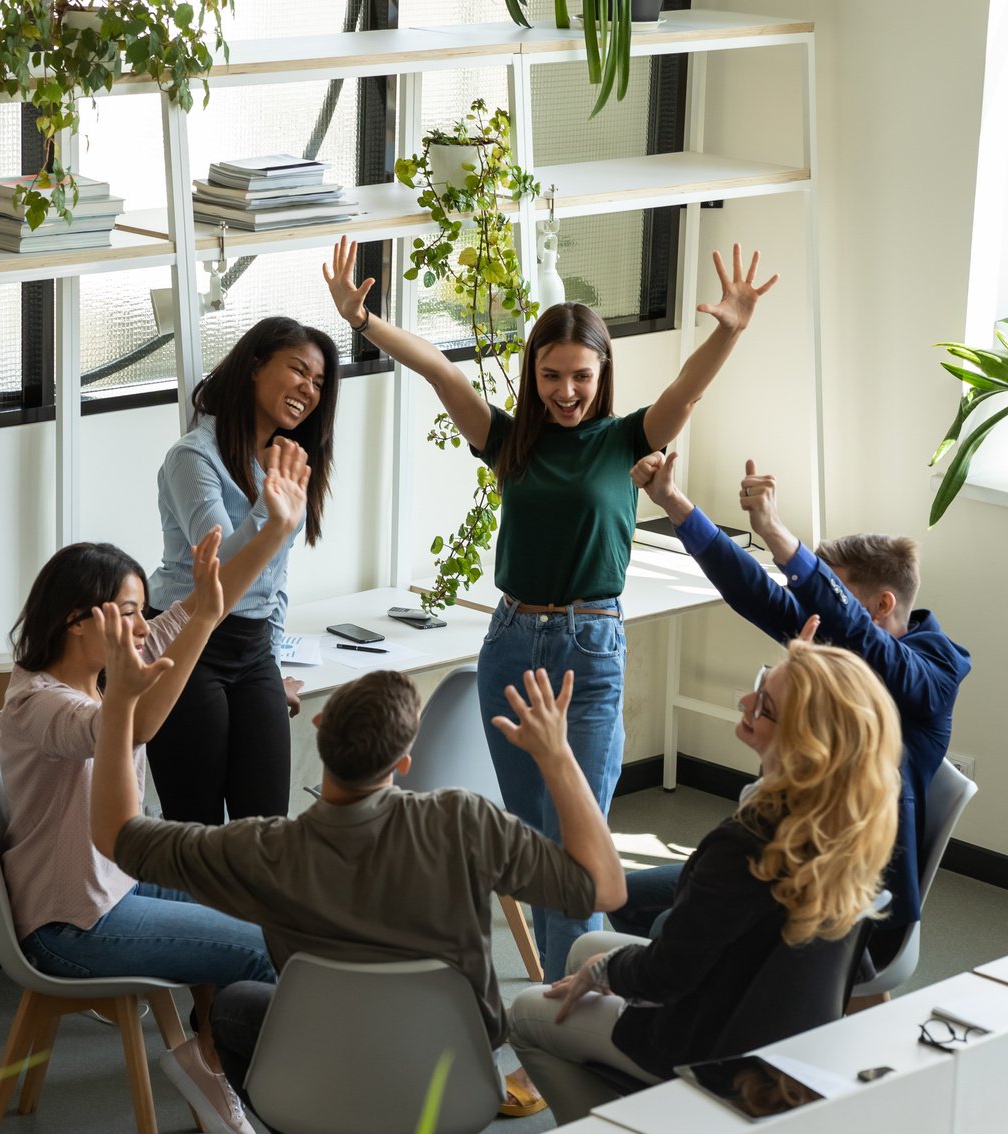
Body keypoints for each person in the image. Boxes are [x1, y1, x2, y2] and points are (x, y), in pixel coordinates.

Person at [322, 233, 778, 980]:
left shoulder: (628, 438)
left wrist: (726, 329)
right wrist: (362, 323)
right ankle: (565, 1000)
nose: (567, 391)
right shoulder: (509, 443)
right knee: (539, 843)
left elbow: (686, 393)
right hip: (510, 645)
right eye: (552, 375)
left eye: (582, 377)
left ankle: (574, 1006)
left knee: (578, 839)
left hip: (587, 652)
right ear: (533, 374)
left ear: (603, 377)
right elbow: (439, 370)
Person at [82, 569, 627, 1119]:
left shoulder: (266, 849)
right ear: (404, 763)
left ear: (319, 730)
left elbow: (114, 834)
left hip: (320, 1077)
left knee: (233, 1007)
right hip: (453, 1080)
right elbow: (603, 887)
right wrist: (556, 757)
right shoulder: (465, 822)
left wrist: (122, 703)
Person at [508, 640, 902, 1123]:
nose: (745, 701)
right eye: (760, 684)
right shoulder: (846, 828)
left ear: (804, 744)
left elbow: (665, 974)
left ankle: (631, 1122)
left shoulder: (746, 844)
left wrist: (603, 970)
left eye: (765, 704)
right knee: (586, 945)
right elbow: (856, 971)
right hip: (774, 1038)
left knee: (526, 1014)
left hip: (708, 1053)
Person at [0, 514, 296, 1134]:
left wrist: (272, 530)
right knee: (265, 950)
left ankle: (208, 1059)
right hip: (72, 924)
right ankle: (266, 1091)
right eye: (127, 614)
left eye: (140, 612)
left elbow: (201, 606)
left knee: (260, 901)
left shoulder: (105, 674)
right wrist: (202, 624)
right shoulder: (40, 705)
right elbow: (131, 726)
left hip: (118, 886)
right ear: (77, 621)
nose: (141, 627)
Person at [616, 451, 970, 968]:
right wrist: (673, 502)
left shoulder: (934, 672)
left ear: (882, 605)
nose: (819, 608)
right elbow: (750, 589)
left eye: (836, 591)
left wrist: (779, 534)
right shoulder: (834, 635)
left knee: (673, 925)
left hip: (854, 903)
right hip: (781, 864)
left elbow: (867, 643)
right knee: (627, 899)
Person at [145, 315, 338, 825]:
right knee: (196, 829)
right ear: (254, 367)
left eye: (318, 382)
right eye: (298, 370)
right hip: (187, 643)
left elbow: (273, 581)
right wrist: (271, 516)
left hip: (252, 651)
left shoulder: (285, 464)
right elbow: (218, 578)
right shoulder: (193, 456)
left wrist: (271, 665)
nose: (308, 388)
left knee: (267, 829)